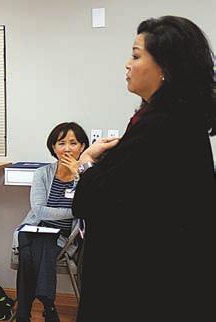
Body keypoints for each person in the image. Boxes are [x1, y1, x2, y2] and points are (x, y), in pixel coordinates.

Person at [73, 16, 216, 321]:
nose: (127, 64)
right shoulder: (177, 118)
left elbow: (101, 198)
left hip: (145, 285)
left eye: (136, 56)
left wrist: (86, 162)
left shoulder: (161, 126)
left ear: (166, 67)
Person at [13, 122, 88, 322]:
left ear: (82, 146)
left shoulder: (87, 175)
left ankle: (24, 312)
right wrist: (73, 211)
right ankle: (48, 306)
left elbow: (88, 206)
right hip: (36, 229)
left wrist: (77, 175)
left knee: (31, 249)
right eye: (61, 143)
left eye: (73, 143)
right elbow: (39, 211)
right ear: (53, 148)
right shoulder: (42, 173)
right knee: (33, 240)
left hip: (65, 237)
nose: (67, 148)